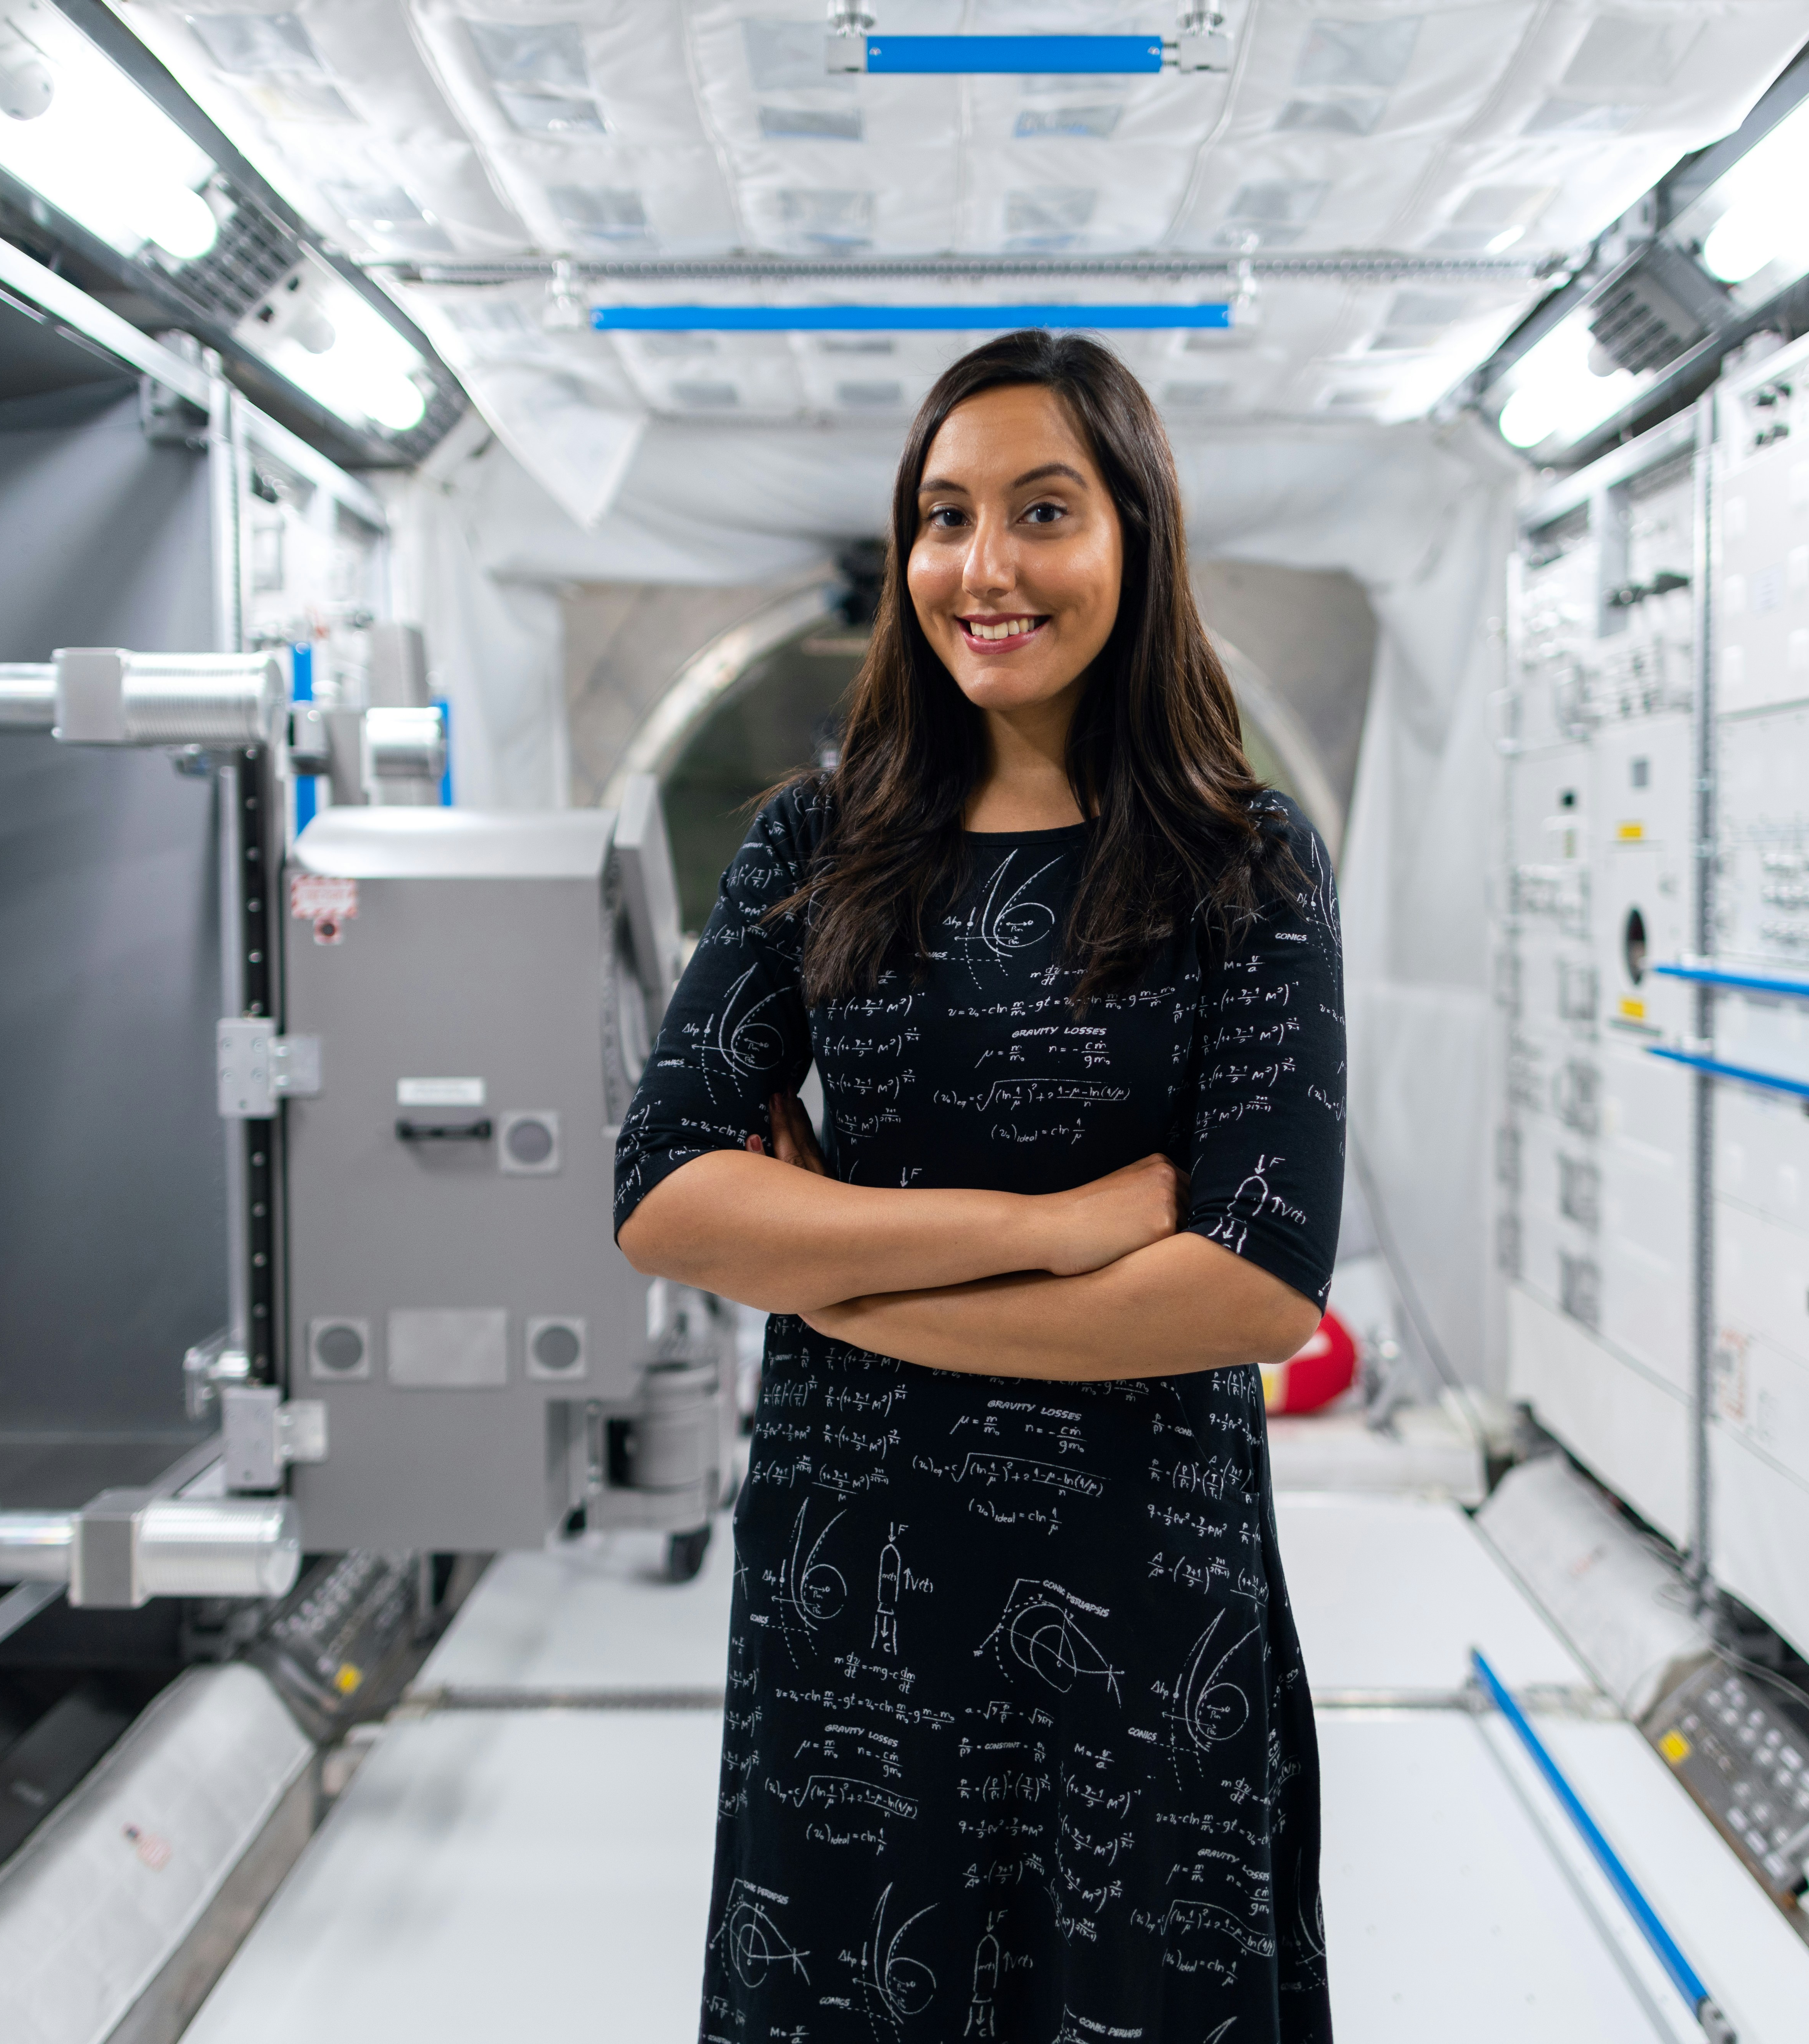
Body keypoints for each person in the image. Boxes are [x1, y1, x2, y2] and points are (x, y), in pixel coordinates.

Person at [614, 328, 1345, 2044]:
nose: (983, 567)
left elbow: (1251, 1284)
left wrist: (834, 1277)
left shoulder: (1241, 857)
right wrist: (1056, 1233)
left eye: (1040, 511)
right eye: (943, 518)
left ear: (1134, 542)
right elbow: (664, 1191)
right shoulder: (816, 841)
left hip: (1142, 1594)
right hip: (854, 1582)